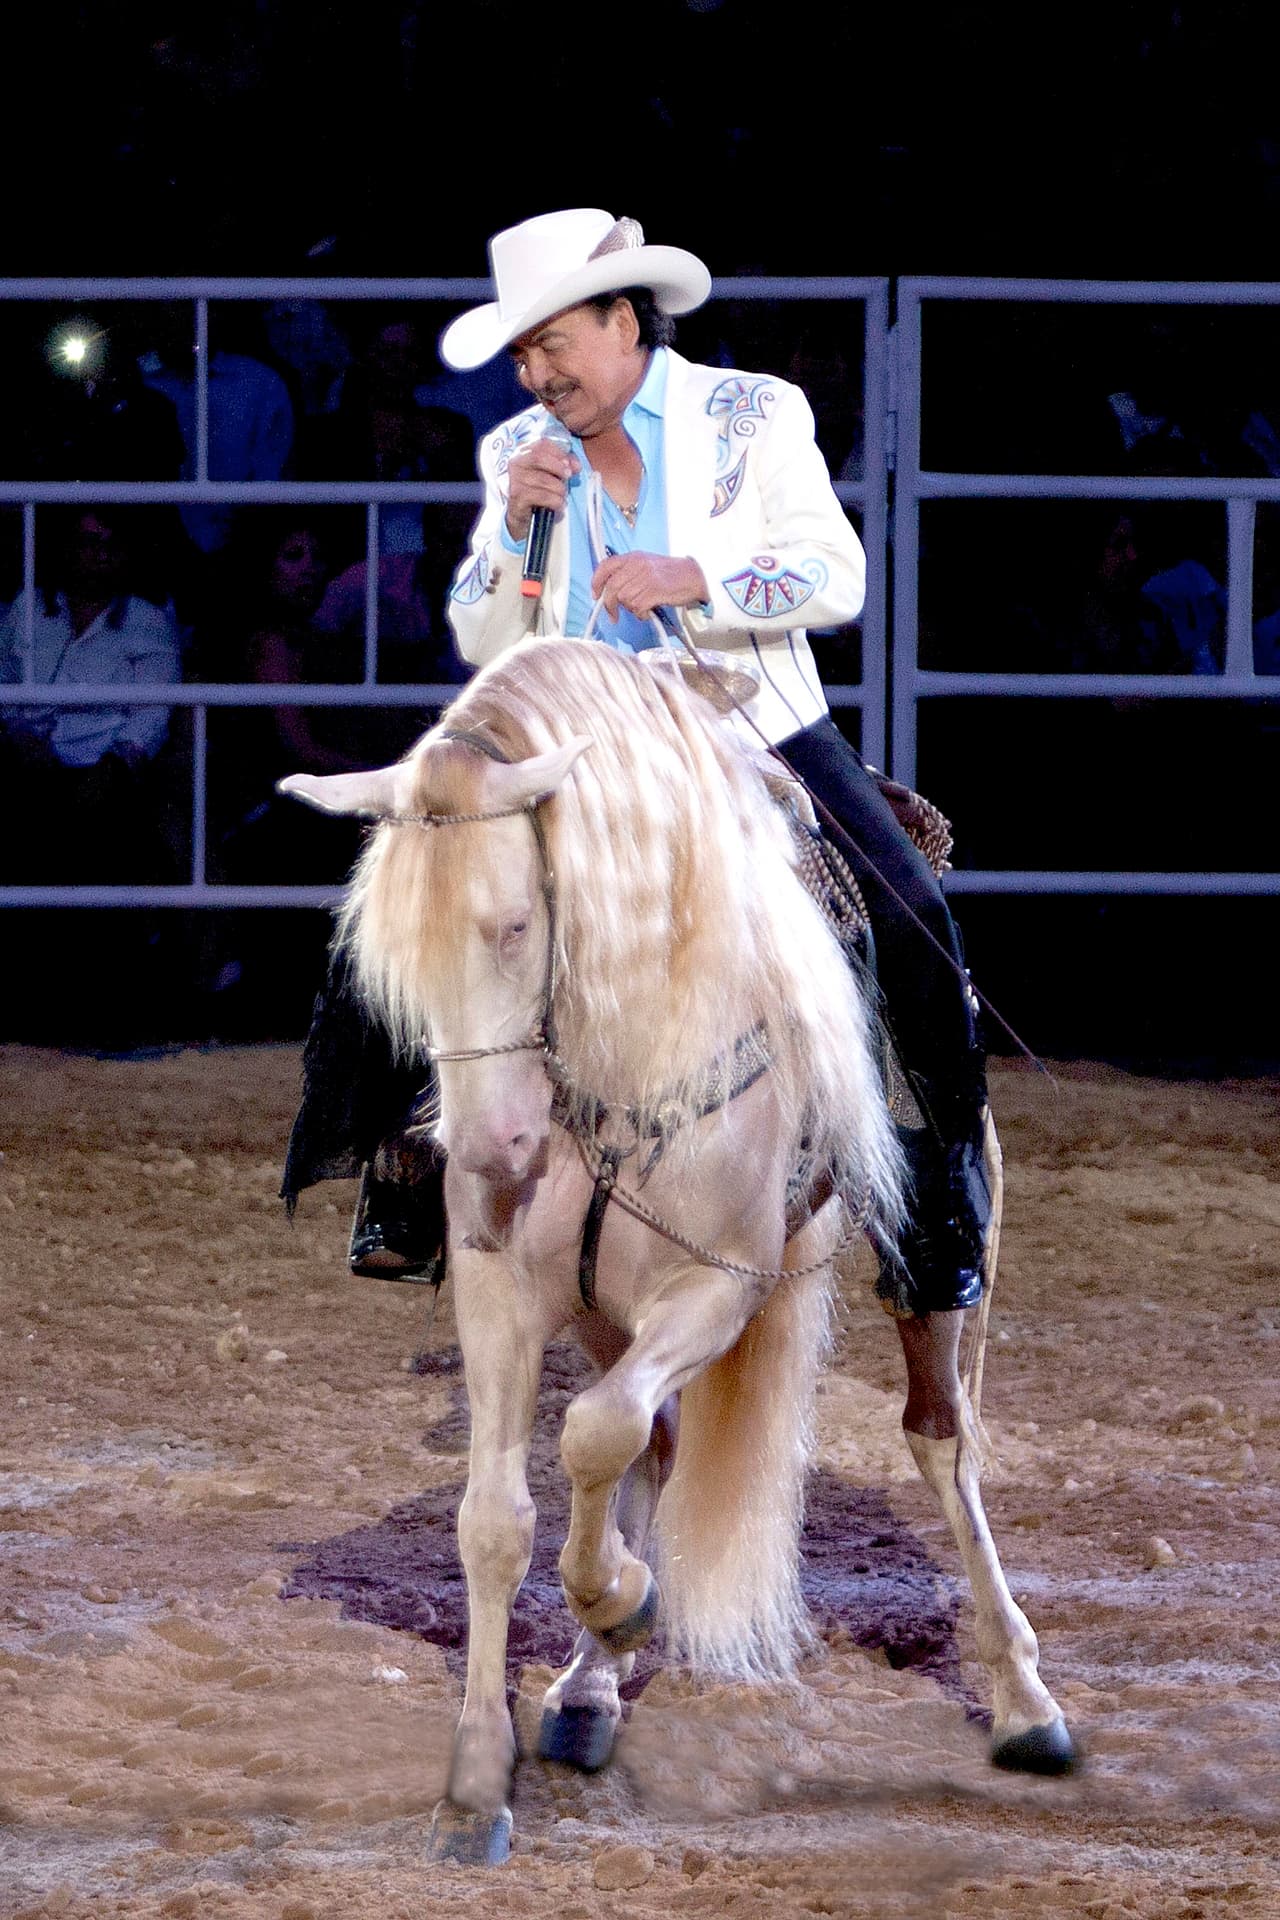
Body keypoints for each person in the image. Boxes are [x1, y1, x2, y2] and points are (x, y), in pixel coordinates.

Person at [285, 209, 991, 1323]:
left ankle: (939, 1191)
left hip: (749, 725)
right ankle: (405, 1170)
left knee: (906, 906)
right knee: (418, 882)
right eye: (524, 354)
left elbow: (835, 573)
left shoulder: (753, 412)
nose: (536, 374)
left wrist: (690, 576)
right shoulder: (513, 454)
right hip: (572, 748)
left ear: (624, 320)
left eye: (552, 343)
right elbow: (478, 636)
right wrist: (511, 536)